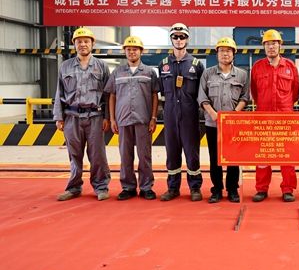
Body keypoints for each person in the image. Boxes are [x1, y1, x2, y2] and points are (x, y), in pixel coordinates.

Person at [53, 28, 111, 201]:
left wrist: (107, 117)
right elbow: (59, 92)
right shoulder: (65, 66)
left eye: (86, 41)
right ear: (74, 44)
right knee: (74, 155)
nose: (83, 44)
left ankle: (101, 187)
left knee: (98, 155)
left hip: (95, 117)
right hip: (72, 117)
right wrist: (59, 117)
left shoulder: (101, 66)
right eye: (79, 42)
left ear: (92, 44)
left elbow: (108, 95)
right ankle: (74, 188)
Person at [105, 36, 160, 200]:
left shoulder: (150, 72)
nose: (132, 52)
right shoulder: (117, 73)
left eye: (135, 49)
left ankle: (146, 187)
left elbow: (154, 96)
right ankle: (128, 187)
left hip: (143, 120)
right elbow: (112, 96)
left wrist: (153, 118)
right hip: (123, 120)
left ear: (141, 51)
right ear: (125, 52)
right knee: (125, 155)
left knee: (145, 155)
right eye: (128, 49)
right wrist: (113, 119)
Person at [250, 29, 299, 203]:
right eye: (268, 44)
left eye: (274, 43)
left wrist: (283, 108)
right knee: (263, 155)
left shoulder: (290, 67)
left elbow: (295, 92)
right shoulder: (257, 67)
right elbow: (254, 93)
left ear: (280, 45)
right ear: (263, 46)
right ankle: (261, 189)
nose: (271, 47)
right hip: (264, 119)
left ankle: (288, 189)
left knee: (287, 155)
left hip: (285, 119)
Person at [199, 37, 250, 203]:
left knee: (233, 158)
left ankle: (232, 189)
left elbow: (245, 97)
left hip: (233, 125)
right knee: (215, 158)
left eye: (228, 51)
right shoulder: (208, 74)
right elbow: (202, 97)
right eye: (222, 51)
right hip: (213, 123)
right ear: (217, 54)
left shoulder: (242, 75)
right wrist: (213, 114)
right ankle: (217, 190)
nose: (225, 54)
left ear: (234, 54)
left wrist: (234, 114)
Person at [158, 23, 205, 202]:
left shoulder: (196, 65)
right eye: (175, 37)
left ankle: (195, 187)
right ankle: (173, 188)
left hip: (189, 115)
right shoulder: (163, 65)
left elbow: (202, 93)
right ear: (171, 39)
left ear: (187, 39)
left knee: (192, 153)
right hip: (170, 115)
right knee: (172, 152)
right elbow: (160, 92)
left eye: (182, 36)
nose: (179, 40)